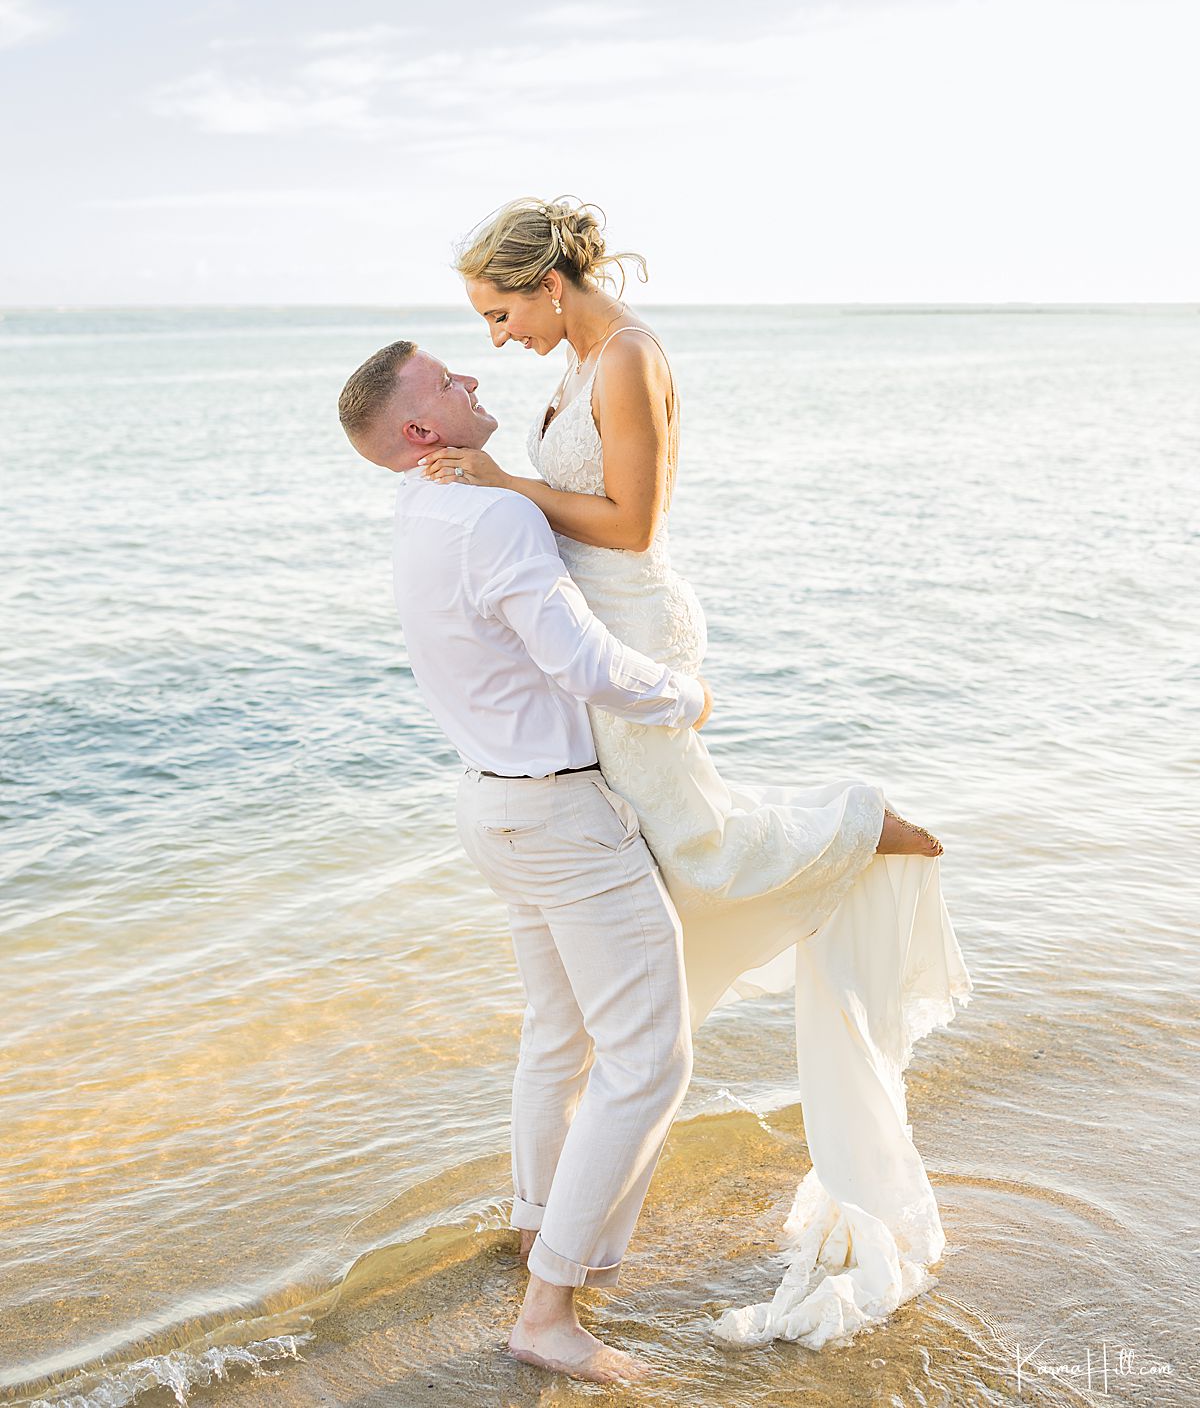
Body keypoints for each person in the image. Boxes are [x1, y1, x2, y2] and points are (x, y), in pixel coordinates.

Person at [416, 195, 974, 1349]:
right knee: (654, 879)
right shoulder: (576, 360)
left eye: (501, 310)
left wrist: (497, 485)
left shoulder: (628, 359)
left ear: (551, 285)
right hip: (596, 647)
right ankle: (560, 1220)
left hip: (633, 633)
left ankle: (861, 819)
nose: (495, 337)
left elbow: (630, 524)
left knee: (698, 844)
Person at [338, 339, 716, 1383]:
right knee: (650, 1056)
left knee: (558, 1038)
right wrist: (686, 697)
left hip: (491, 807)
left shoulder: (421, 511)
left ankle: (534, 1228)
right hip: (556, 816)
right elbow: (579, 661)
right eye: (450, 384)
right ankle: (547, 1313)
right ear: (422, 432)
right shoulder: (494, 513)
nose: (473, 382)